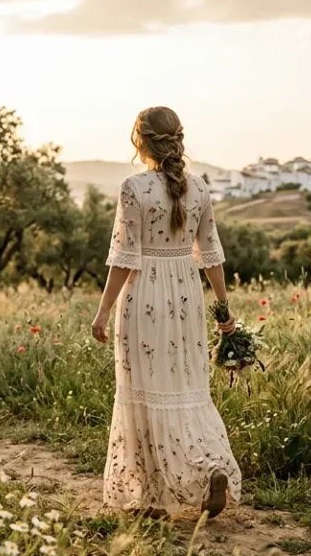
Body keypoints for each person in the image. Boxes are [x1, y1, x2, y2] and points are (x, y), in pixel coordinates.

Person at [88, 106, 242, 520]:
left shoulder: (133, 188)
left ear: (139, 141)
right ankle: (209, 465)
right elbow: (211, 255)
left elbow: (124, 258)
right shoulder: (200, 188)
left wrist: (103, 311)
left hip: (145, 297)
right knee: (187, 388)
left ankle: (153, 497)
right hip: (186, 297)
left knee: (143, 390)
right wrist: (223, 312)